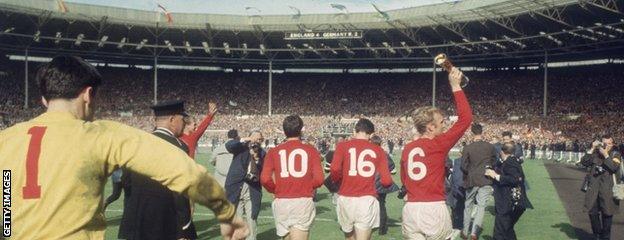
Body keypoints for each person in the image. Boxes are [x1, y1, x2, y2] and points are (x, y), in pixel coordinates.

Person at [0, 55, 247, 239]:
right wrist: (225, 211)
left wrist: (9, 227)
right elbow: (183, 171)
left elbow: (6, 204)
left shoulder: (6, 140)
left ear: (44, 99)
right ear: (88, 95)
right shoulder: (102, 134)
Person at [400, 67, 472, 240]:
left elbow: (404, 179)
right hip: (433, 208)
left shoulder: (408, 148)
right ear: (430, 127)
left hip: (410, 209)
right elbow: (466, 119)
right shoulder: (438, 144)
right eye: (441, 122)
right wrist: (456, 86)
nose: (444, 124)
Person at [119, 100, 199, 239]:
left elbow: (126, 182)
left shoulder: (136, 142)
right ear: (172, 119)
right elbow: (180, 191)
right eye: (182, 119)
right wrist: (185, 226)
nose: (184, 124)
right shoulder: (178, 147)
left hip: (136, 220)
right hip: (164, 222)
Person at [260, 115, 325, 240]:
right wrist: (306, 186)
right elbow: (319, 179)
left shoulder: (273, 151)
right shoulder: (311, 150)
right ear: (301, 130)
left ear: (284, 131)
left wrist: (275, 189)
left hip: (281, 200)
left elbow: (265, 179)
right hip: (302, 200)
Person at [330, 118, 393, 240]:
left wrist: (339, 181)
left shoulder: (342, 146)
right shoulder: (378, 150)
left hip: (345, 197)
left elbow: (335, 170)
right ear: (372, 134)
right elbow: (387, 181)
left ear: (355, 131)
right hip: (366, 199)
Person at [485, 142, 532, 240]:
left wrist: (496, 176)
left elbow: (515, 179)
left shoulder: (510, 162)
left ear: (502, 152)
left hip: (507, 202)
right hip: (510, 201)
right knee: (507, 229)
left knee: (501, 230)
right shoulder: (510, 161)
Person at [225, 130, 266, 240]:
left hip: (252, 189)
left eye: (260, 139)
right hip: (236, 187)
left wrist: (257, 159)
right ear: (249, 138)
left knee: (252, 218)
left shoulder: (262, 153)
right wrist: (244, 140)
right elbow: (229, 145)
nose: (257, 141)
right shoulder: (241, 147)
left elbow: (264, 171)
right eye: (255, 138)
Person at [580, 135, 621, 240]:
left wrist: (606, 155)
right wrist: (593, 148)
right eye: (603, 143)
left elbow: (614, 167)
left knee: (607, 215)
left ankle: (605, 237)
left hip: (607, 191)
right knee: (592, 212)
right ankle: (597, 233)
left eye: (608, 143)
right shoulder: (595, 153)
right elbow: (584, 162)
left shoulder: (616, 154)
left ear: (612, 144)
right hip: (594, 189)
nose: (605, 146)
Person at [461, 123, 496, 239]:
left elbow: (463, 166)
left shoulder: (468, 148)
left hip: (472, 179)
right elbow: (494, 162)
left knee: (468, 205)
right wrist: (488, 169)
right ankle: (474, 233)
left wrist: (469, 172)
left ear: (472, 133)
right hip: (485, 179)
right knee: (481, 206)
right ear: (482, 132)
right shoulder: (490, 147)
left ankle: (465, 231)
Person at [370, 135, 400, 236]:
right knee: (381, 205)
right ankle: (382, 229)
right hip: (382, 183)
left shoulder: (368, 153)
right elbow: (393, 170)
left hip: (370, 183)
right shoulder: (384, 154)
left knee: (369, 205)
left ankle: (370, 226)